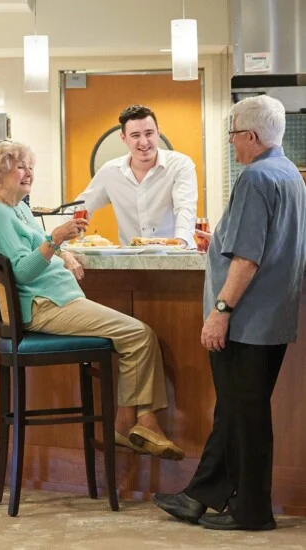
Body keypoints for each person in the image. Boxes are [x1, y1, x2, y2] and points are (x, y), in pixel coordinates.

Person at [152, 96, 306, 531]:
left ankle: (253, 512)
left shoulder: (256, 178)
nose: (232, 143)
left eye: (233, 134)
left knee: (246, 415)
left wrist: (220, 310)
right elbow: (263, 244)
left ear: (251, 136)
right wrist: (219, 241)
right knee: (237, 410)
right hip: (271, 317)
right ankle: (200, 496)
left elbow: (249, 260)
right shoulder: (289, 172)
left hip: (246, 320)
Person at [0, 140, 184, 461]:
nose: (28, 172)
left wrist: (63, 250)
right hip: (43, 305)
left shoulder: (18, 208)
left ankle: (136, 422)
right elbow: (22, 272)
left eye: (30, 166)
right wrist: (55, 239)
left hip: (57, 299)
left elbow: (38, 249)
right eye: (20, 166)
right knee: (139, 335)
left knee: (136, 335)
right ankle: (137, 421)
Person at [71, 104, 198, 246]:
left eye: (149, 133)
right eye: (135, 135)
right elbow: (80, 206)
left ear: (158, 133)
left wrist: (179, 244)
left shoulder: (180, 165)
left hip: (176, 256)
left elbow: (185, 208)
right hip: (132, 260)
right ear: (124, 138)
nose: (144, 142)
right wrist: (57, 245)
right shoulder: (110, 171)